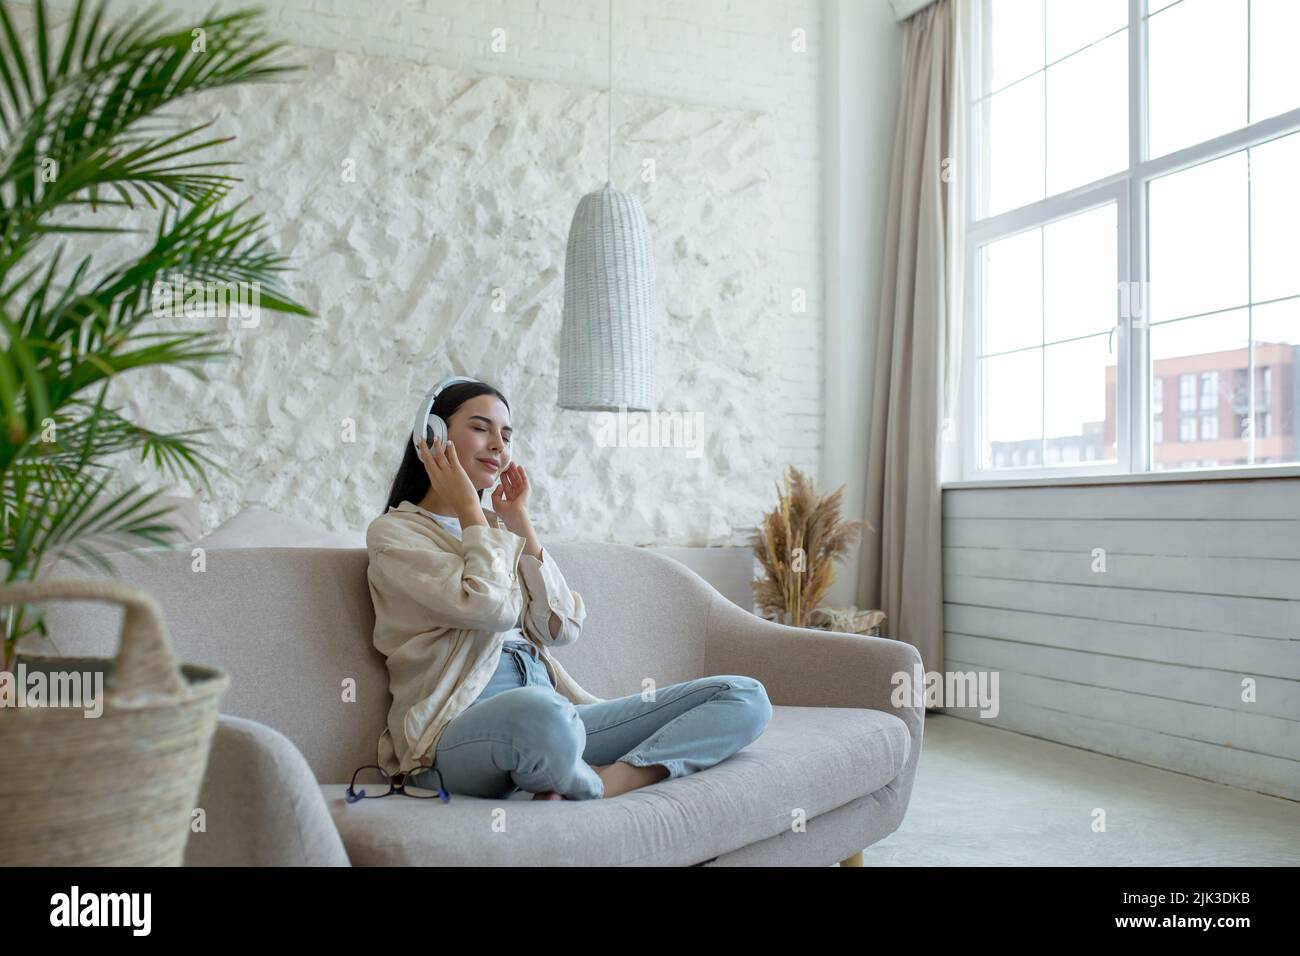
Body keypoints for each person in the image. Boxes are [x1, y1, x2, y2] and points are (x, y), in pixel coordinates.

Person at [366, 377, 772, 801]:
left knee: (743, 696)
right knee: (543, 716)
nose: (498, 446)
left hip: (554, 712)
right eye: (481, 428)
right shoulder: (395, 536)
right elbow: (491, 609)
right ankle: (567, 768)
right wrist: (471, 510)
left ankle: (616, 778)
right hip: (456, 737)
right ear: (432, 438)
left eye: (506, 436)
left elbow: (561, 628)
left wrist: (518, 521)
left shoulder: (499, 532)